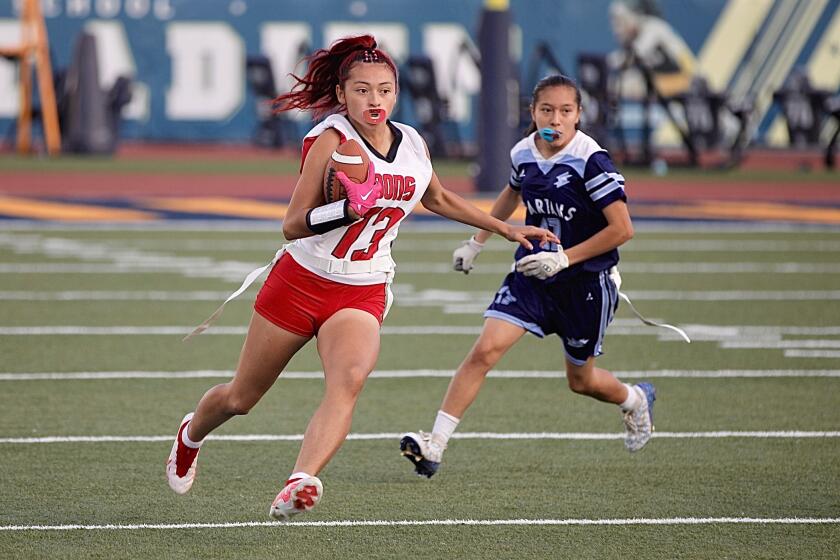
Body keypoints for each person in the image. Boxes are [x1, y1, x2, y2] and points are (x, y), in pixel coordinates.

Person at [164, 35, 557, 520]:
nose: (376, 101)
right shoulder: (331, 140)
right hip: (303, 278)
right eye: (363, 90)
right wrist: (348, 208)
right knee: (241, 397)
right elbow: (292, 223)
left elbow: (435, 197)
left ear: (397, 93)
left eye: (385, 90)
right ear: (343, 94)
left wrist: (503, 228)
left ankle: (300, 480)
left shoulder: (411, 140)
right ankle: (191, 435)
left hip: (363, 285)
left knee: (348, 379)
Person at [400, 74, 656, 479]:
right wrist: (477, 241)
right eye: (546, 110)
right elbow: (511, 193)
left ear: (579, 116)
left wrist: (566, 259)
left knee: (581, 380)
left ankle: (635, 399)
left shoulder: (591, 160)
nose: (556, 118)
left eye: (565, 110)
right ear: (533, 113)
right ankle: (435, 445)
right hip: (532, 274)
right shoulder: (523, 151)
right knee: (484, 351)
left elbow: (622, 229)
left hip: (586, 284)